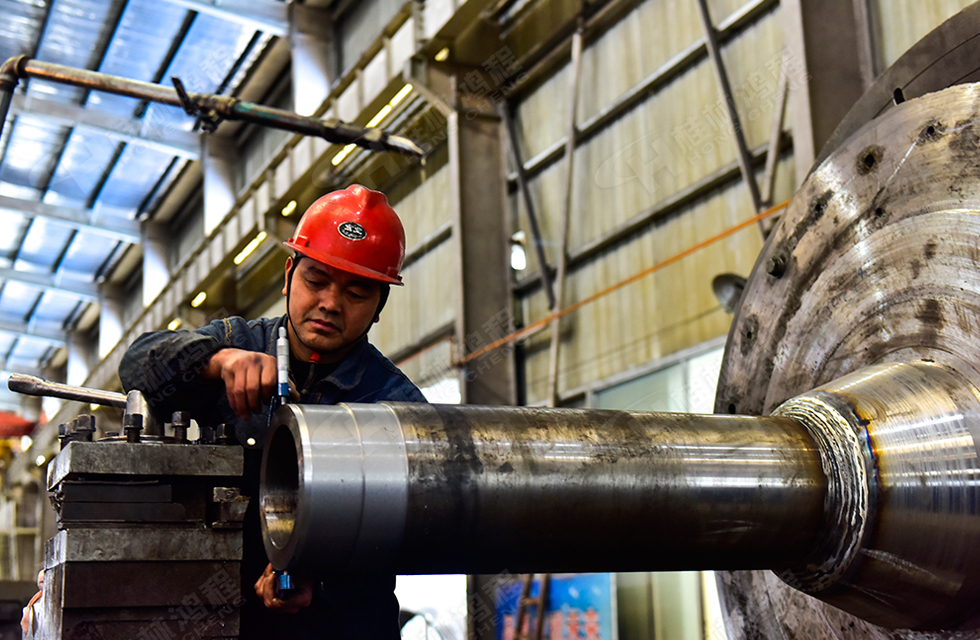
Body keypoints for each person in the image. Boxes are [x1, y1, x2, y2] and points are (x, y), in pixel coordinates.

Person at [118, 184, 426, 640]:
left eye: (357, 292)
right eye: (316, 281)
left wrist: (322, 579)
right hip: (227, 620)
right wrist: (217, 362)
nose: (329, 303)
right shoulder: (237, 341)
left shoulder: (396, 406)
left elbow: (415, 532)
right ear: (289, 275)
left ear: (379, 305)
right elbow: (136, 365)